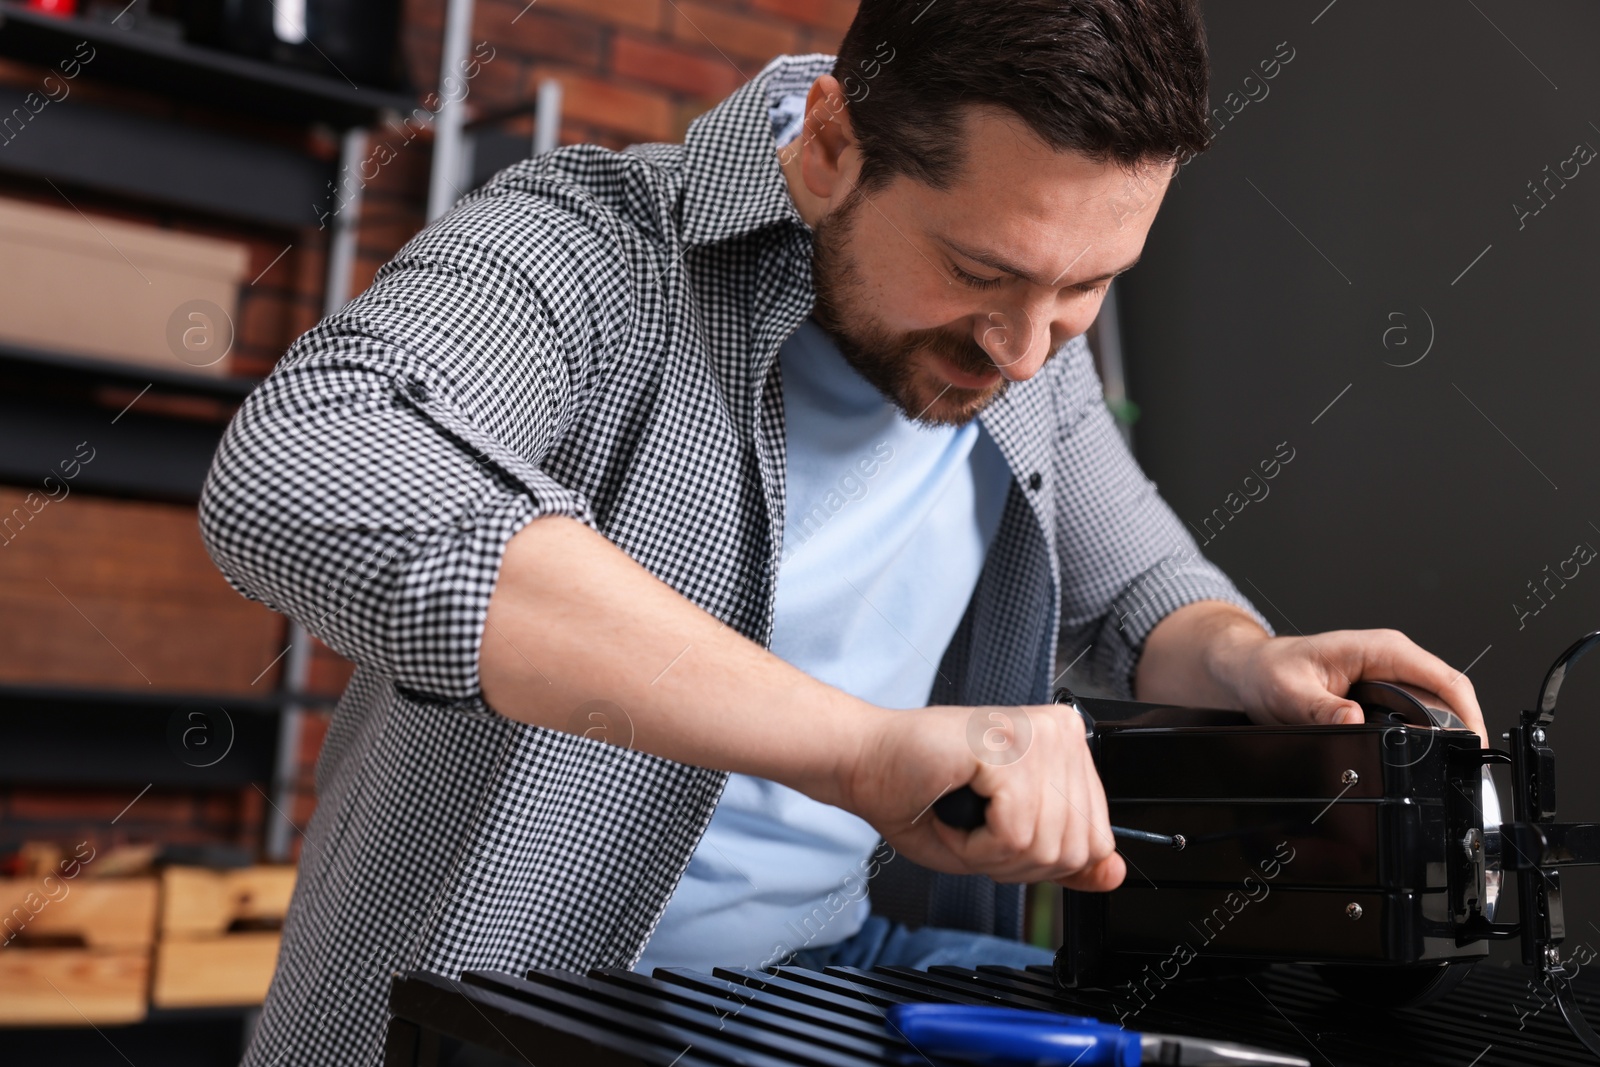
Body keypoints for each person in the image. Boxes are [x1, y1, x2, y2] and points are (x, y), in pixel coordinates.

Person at [200, 1, 1488, 1062]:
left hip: (820, 978)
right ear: (829, 147)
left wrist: (1244, 659)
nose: (1028, 350)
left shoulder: (1030, 358)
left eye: (1087, 288)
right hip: (497, 993)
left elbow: (1137, 592)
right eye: (980, 273)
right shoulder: (589, 244)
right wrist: (862, 752)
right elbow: (307, 465)